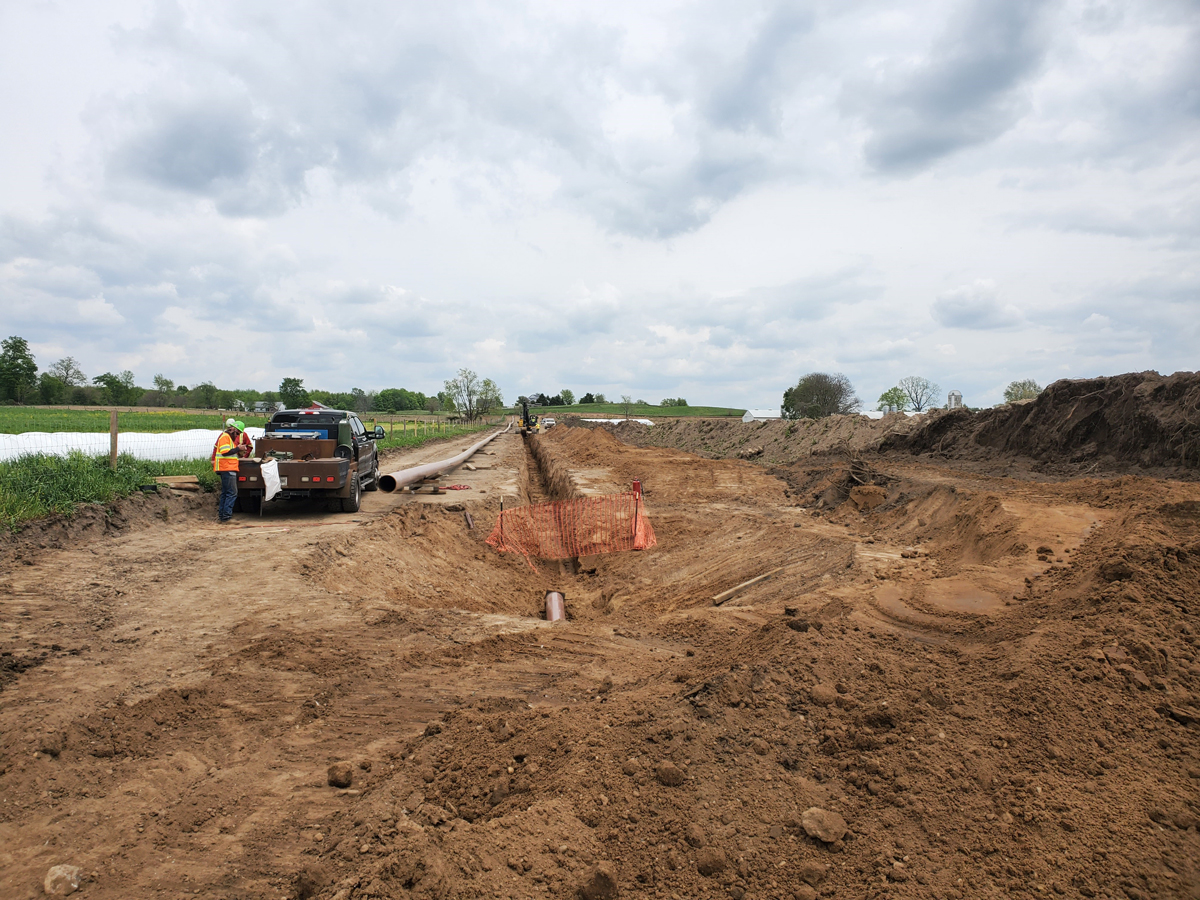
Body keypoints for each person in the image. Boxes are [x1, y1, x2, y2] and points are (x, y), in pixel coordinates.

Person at [212, 421, 242, 523]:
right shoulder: (225, 437)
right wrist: (238, 448)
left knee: (225, 493)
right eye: (237, 433)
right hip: (227, 468)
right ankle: (226, 517)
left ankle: (222, 516)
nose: (237, 436)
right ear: (233, 429)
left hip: (226, 468)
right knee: (232, 493)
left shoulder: (228, 438)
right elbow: (225, 453)